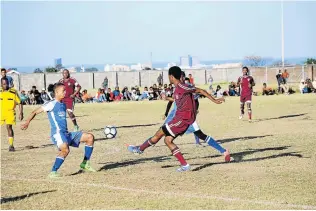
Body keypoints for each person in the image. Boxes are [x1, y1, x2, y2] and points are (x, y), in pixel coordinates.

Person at [127, 66, 225, 172]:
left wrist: (214, 100)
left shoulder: (183, 86)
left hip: (181, 120)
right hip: (179, 120)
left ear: (171, 76)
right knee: (168, 140)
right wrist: (166, 98)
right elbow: (177, 99)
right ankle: (185, 165)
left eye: (168, 76)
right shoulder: (178, 88)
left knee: (159, 134)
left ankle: (140, 149)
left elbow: (200, 90)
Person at [21, 83, 96, 178]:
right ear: (56, 92)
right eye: (63, 91)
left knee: (90, 137)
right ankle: (53, 172)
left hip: (66, 133)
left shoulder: (63, 104)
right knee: (65, 149)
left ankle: (85, 163)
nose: (65, 92)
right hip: (58, 134)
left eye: (65, 90)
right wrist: (27, 122)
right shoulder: (51, 104)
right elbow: (35, 112)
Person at [163, 72, 230, 160]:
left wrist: (214, 100)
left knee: (200, 135)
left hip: (187, 118)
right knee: (167, 136)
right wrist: (167, 101)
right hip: (178, 118)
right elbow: (175, 100)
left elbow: (199, 94)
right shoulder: (177, 88)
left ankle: (223, 151)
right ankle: (178, 156)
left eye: (181, 77)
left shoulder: (188, 87)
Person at [0, 77, 23, 151]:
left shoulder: (13, 92)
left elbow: (19, 102)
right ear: (1, 84)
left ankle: (11, 145)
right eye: (3, 84)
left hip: (10, 112)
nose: (5, 85)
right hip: (1, 112)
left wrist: (21, 113)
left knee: (9, 127)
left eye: (6, 84)